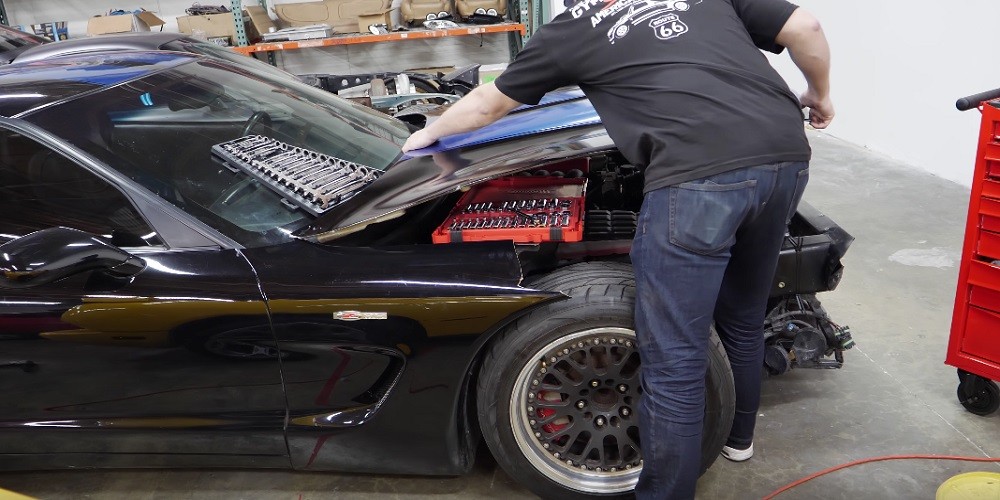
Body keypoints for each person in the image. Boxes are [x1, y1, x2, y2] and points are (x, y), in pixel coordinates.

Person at [402, 0, 832, 498]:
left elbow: (487, 104)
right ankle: (738, 440)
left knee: (675, 359)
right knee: (742, 313)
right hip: (784, 158)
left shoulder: (575, 26)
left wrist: (427, 134)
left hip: (697, 178)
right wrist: (818, 96)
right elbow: (806, 25)